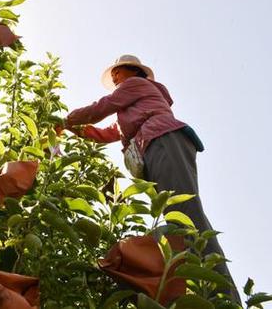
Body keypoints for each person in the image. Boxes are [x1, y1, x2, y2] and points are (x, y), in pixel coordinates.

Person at [62, 54, 240, 302]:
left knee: (185, 213)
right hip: (154, 147)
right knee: (178, 215)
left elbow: (101, 107)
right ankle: (202, 290)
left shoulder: (134, 86)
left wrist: (66, 119)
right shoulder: (131, 110)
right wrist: (76, 130)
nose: (114, 77)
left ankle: (222, 297)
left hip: (163, 139)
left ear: (133, 71)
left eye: (118, 71)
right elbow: (106, 133)